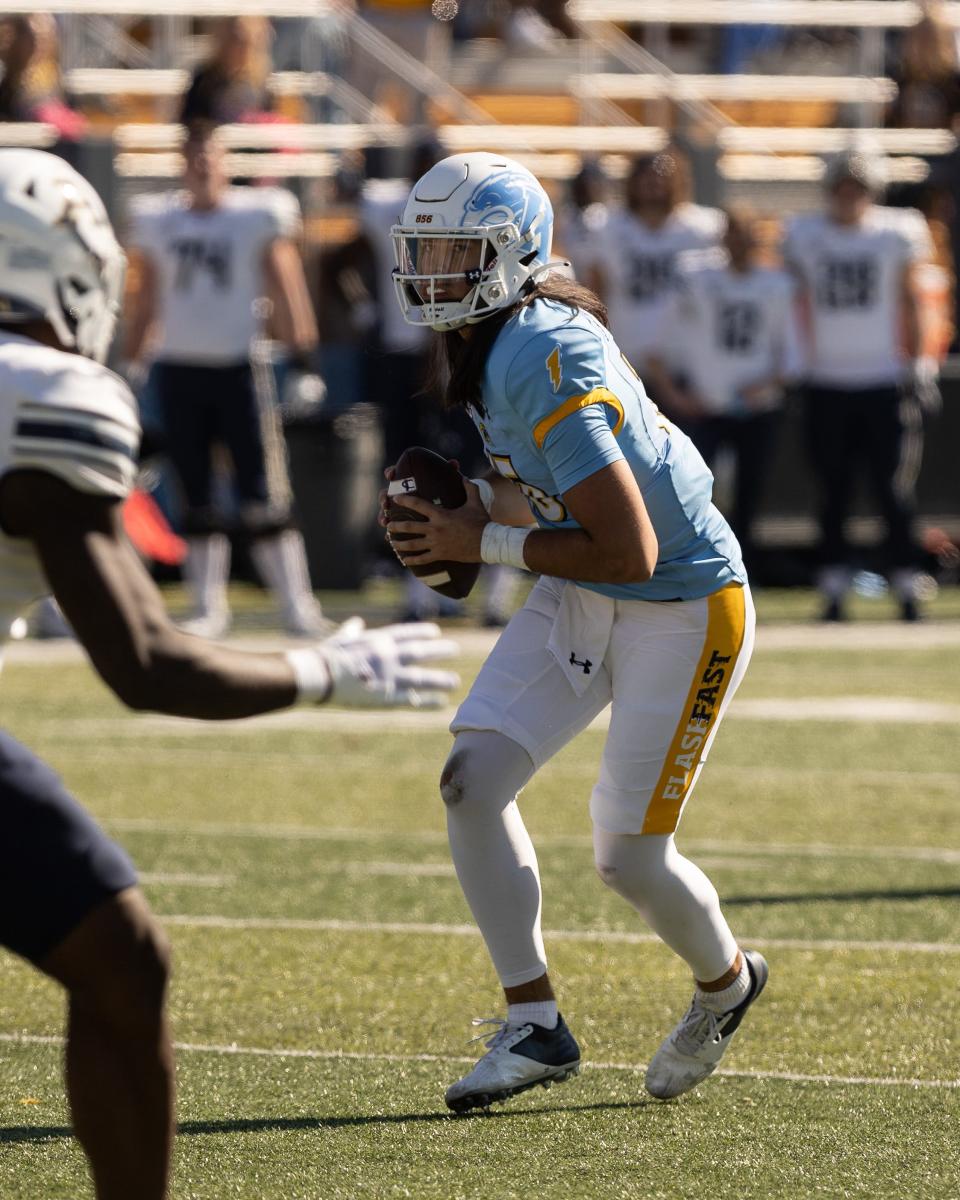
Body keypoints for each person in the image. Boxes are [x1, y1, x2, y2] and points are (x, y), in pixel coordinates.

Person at [0, 148, 458, 1200]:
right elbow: (147, 662)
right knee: (123, 960)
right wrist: (324, 672)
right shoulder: (43, 395)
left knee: (119, 955)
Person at [383, 151, 767, 1112]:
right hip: (587, 580)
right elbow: (545, 492)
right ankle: (534, 1024)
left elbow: (629, 549)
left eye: (453, 252)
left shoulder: (539, 348)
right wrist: (475, 507)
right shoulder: (487, 336)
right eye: (424, 252)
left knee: (626, 856)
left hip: (682, 599)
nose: (432, 273)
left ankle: (727, 986)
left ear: (510, 256)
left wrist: (485, 536)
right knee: (471, 781)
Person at [125, 120, 326, 639]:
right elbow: (145, 296)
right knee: (195, 490)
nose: (201, 166)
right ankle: (206, 606)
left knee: (263, 490)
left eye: (208, 156)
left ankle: (295, 605)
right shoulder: (161, 220)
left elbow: (285, 284)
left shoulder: (253, 216)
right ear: (180, 164)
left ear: (225, 162)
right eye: (191, 156)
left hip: (240, 366)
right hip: (179, 366)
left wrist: (303, 357)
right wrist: (133, 361)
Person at [783, 150, 937, 621]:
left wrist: (919, 362)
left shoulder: (897, 230)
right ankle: (832, 585)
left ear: (872, 191)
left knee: (891, 488)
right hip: (825, 378)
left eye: (858, 187)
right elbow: (787, 303)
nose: (849, 197)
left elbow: (912, 298)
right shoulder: (804, 233)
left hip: (882, 376)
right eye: (842, 187)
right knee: (833, 488)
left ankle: (908, 582)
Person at [645, 205, 804, 569]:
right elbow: (658, 345)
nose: (741, 243)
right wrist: (675, 396)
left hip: (758, 408)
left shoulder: (776, 286)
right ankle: (691, 565)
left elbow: (792, 357)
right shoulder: (695, 278)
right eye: (734, 234)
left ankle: (740, 567)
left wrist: (760, 387)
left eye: (748, 236)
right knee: (693, 491)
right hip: (705, 407)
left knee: (750, 493)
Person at [583, 147, 725, 394]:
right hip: (625, 350)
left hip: (683, 355)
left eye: (662, 175)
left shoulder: (704, 227)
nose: (654, 182)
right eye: (646, 176)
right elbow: (595, 290)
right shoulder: (607, 225)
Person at [178, 16, 275, 127]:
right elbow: (190, 121)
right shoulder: (204, 80)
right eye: (236, 39)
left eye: (248, 41)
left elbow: (271, 120)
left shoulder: (263, 82)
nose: (242, 48)